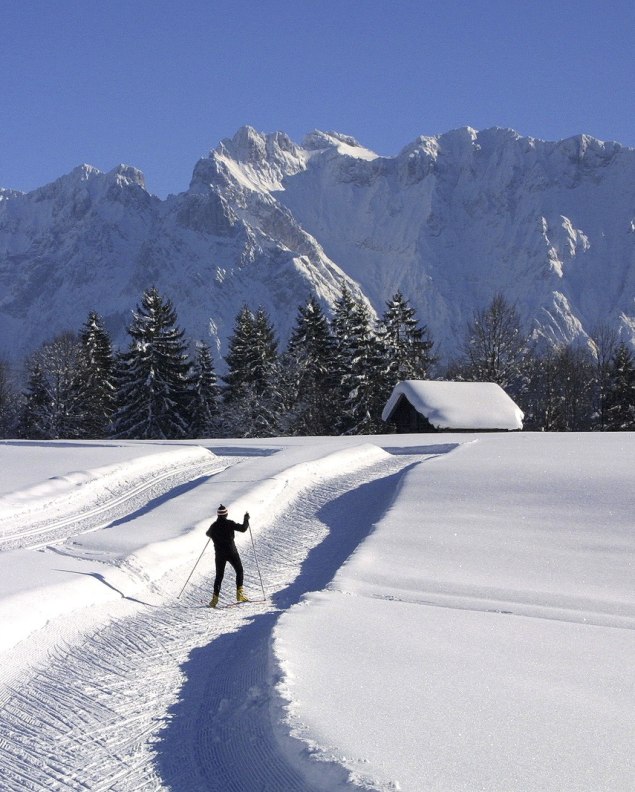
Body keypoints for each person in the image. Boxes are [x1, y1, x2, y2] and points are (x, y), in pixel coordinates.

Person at [206, 504, 250, 608]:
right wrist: (246, 519)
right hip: (231, 552)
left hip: (219, 554)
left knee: (219, 576)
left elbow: (208, 533)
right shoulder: (230, 523)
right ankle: (240, 595)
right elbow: (243, 528)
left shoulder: (214, 526)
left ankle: (214, 600)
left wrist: (214, 535)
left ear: (218, 515)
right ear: (226, 514)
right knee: (239, 571)